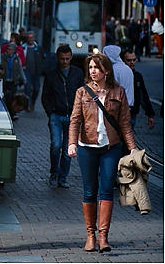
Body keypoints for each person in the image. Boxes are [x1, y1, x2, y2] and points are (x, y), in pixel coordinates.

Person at [68, 53, 137, 253]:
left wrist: (131, 147)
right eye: (90, 68)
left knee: (106, 190)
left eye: (96, 67)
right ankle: (90, 235)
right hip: (87, 147)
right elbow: (75, 120)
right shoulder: (82, 92)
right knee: (89, 191)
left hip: (111, 147)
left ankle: (103, 237)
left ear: (106, 70)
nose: (93, 71)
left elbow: (124, 123)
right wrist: (72, 143)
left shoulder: (119, 92)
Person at [41, 45, 84, 189]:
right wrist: (50, 112)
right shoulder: (51, 75)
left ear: (71, 57)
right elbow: (45, 96)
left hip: (72, 117)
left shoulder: (77, 74)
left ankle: (63, 177)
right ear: (57, 58)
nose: (65, 62)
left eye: (67, 59)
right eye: (62, 59)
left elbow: (82, 94)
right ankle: (55, 173)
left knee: (67, 149)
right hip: (57, 115)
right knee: (56, 146)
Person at [121, 49, 155, 130]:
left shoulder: (137, 76)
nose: (132, 62)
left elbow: (143, 95)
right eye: (129, 60)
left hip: (133, 113)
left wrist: (150, 115)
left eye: (134, 60)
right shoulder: (120, 75)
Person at [103, 45, 134, 110]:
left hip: (117, 106)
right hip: (128, 104)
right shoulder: (127, 68)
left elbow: (112, 87)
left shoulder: (113, 69)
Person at [22, 31, 43, 111]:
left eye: (32, 37)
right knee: (27, 88)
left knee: (36, 89)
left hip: (36, 72)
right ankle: (28, 105)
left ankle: (33, 102)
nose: (30, 39)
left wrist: (41, 68)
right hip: (26, 71)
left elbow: (42, 58)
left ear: (34, 38)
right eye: (29, 38)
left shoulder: (38, 48)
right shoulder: (23, 47)